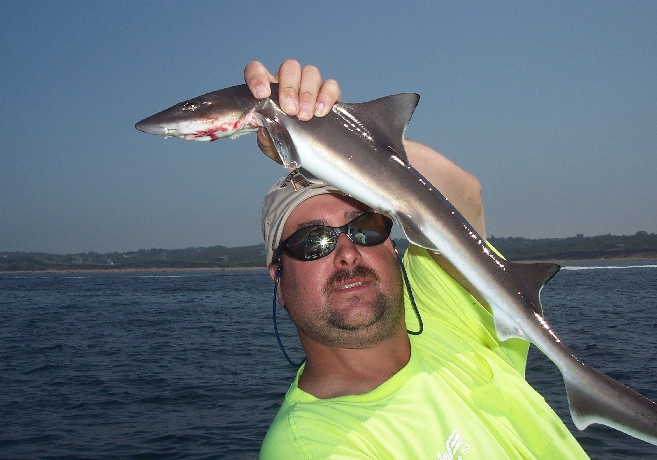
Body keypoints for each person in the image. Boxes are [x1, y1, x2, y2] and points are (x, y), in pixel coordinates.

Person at [244, 60, 589, 459]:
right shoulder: (312, 443)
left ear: (393, 245)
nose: (347, 253)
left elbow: (464, 197)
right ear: (279, 280)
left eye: (367, 227)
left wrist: (331, 128)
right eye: (313, 241)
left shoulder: (445, 316)